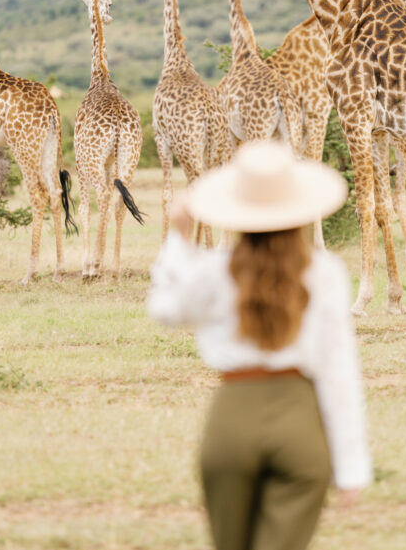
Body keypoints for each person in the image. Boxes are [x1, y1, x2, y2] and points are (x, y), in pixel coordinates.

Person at [147, 140, 372, 550]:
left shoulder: (215, 270)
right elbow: (339, 369)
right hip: (299, 422)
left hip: (232, 421)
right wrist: (352, 464)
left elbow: (164, 309)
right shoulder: (326, 273)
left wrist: (180, 240)